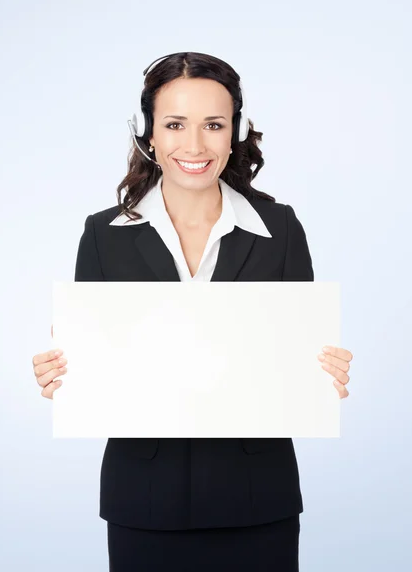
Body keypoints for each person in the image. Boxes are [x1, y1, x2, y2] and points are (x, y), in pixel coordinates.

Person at [32, 52, 353, 571]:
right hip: (143, 498)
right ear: (148, 132)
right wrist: (62, 375)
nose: (195, 145)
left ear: (236, 133)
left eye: (214, 125)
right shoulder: (101, 235)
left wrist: (323, 373)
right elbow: (93, 360)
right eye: (175, 124)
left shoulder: (281, 229)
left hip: (257, 498)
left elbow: (296, 352)